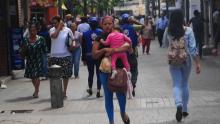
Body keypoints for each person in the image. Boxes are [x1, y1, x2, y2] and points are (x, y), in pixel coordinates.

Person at [162, 10, 201, 122]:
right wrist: (197, 63)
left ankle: (178, 104)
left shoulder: (168, 31)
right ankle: (184, 109)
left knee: (176, 84)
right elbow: (193, 49)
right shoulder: (188, 30)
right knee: (185, 83)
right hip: (186, 59)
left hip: (173, 60)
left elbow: (165, 44)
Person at [92, 15, 130, 124]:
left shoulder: (119, 34)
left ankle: (123, 113)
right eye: (105, 24)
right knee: (108, 96)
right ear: (101, 25)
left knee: (121, 94)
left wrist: (113, 50)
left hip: (119, 69)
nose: (107, 26)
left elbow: (128, 46)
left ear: (113, 24)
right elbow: (94, 55)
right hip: (104, 71)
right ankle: (111, 121)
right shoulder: (99, 38)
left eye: (110, 23)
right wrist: (104, 49)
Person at [49, 16, 74, 98]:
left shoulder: (68, 30)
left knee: (65, 75)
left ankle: (64, 92)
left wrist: (72, 46)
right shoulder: (52, 30)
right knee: (55, 76)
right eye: (52, 23)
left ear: (60, 22)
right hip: (54, 56)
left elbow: (72, 40)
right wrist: (59, 27)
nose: (54, 24)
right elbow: (54, 36)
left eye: (55, 22)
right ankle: (56, 91)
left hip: (66, 55)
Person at [21, 22, 47, 98]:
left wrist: (46, 60)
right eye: (31, 30)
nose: (33, 32)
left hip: (38, 60)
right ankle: (36, 89)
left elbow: (45, 50)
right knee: (32, 76)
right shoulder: (26, 40)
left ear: (37, 30)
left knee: (36, 75)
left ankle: (36, 91)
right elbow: (22, 49)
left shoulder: (41, 39)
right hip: (30, 60)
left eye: (34, 30)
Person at [120, 13, 143, 97]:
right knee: (134, 70)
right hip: (131, 52)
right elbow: (143, 26)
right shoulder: (134, 27)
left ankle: (125, 87)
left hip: (121, 53)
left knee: (123, 70)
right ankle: (132, 84)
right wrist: (134, 21)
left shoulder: (119, 29)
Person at [81, 17, 103, 98]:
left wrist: (83, 58)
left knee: (90, 73)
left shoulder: (85, 33)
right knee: (99, 73)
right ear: (97, 24)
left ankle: (90, 88)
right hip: (98, 55)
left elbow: (83, 47)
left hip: (89, 55)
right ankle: (98, 90)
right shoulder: (101, 32)